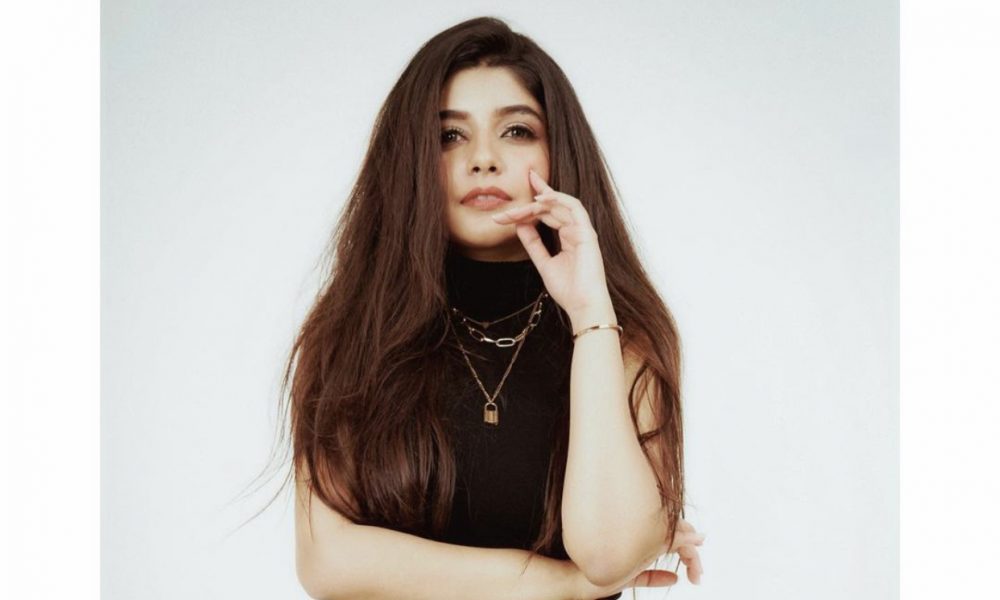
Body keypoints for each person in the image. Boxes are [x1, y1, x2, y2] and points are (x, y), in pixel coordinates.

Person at [273, 16, 705, 599]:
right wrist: (565, 586)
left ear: (559, 151)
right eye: (449, 136)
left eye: (517, 131)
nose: (483, 159)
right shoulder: (352, 334)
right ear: (409, 161)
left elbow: (606, 555)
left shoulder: (623, 336)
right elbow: (329, 561)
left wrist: (590, 316)